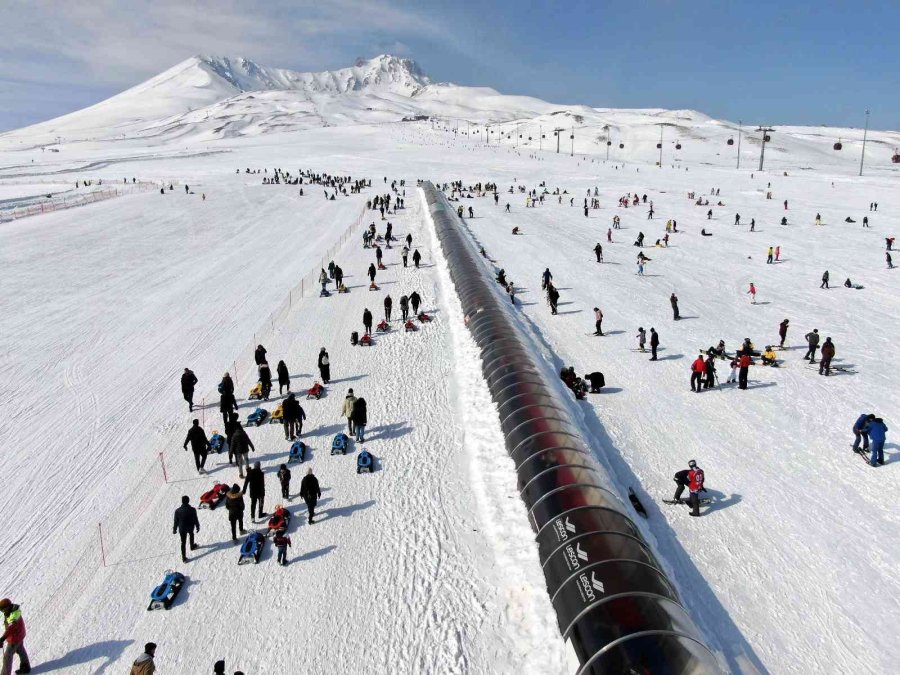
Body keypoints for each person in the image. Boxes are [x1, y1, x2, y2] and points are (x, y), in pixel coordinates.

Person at [0, 599, 30, 675]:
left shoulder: (14, 615)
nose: (2, 612)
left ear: (7, 607)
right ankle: (25, 667)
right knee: (20, 650)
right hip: (19, 635)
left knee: (7, 657)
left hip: (15, 638)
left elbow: (11, 628)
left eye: (3, 610)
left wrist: (2, 639)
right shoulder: (11, 611)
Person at [173, 495, 200, 563]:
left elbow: (176, 521)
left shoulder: (177, 511)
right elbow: (195, 519)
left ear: (182, 501)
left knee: (183, 543)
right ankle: (192, 546)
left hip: (182, 528)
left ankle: (184, 558)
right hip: (190, 526)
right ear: (188, 501)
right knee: (191, 534)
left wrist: (175, 529)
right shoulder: (192, 509)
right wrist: (197, 526)